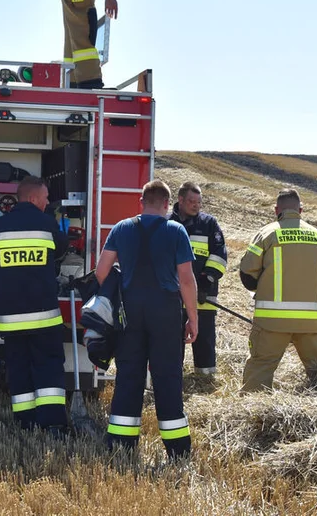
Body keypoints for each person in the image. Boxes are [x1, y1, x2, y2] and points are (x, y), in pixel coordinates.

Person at [0, 176, 71, 434]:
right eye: (45, 198)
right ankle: (52, 424)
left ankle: (26, 423)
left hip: (10, 319)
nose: (46, 203)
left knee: (18, 368)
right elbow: (63, 250)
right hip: (44, 317)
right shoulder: (48, 225)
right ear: (33, 198)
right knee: (49, 366)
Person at [94, 179, 198, 457]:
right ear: (167, 204)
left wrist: (120, 290)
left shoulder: (121, 228)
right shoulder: (176, 230)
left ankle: (121, 445)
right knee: (167, 377)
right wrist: (192, 318)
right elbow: (186, 280)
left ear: (140, 202)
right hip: (165, 311)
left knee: (129, 375)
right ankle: (177, 450)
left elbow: (101, 271)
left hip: (129, 311)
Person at [238, 189, 317, 392]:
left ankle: (256, 417)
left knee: (260, 370)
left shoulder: (267, 234)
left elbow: (247, 273)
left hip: (272, 321)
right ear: (300, 210)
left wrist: (262, 288)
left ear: (277, 210)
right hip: (313, 322)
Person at [170, 182, 228, 375]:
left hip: (204, 296)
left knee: (204, 341)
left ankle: (205, 377)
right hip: (173, 297)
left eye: (199, 202)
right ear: (180, 200)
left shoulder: (209, 224)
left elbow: (220, 254)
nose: (196, 205)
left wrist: (207, 280)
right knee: (172, 342)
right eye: (192, 201)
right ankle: (173, 377)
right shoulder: (168, 222)